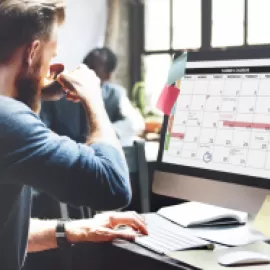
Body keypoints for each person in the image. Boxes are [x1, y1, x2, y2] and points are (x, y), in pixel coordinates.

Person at [0, 1, 147, 270]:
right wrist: (94, 96)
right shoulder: (5, 117)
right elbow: (113, 186)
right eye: (51, 55)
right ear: (32, 52)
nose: (51, 68)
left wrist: (74, 230)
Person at [83, 47, 145, 146]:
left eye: (93, 67)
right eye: (85, 64)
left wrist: (103, 133)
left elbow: (136, 123)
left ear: (107, 76)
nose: (86, 70)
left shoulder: (115, 94)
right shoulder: (62, 94)